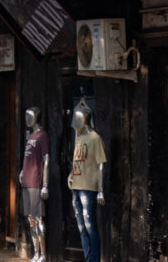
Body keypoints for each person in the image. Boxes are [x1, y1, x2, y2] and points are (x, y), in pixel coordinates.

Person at [67, 103, 106, 262]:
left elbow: (101, 164)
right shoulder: (79, 136)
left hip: (88, 188)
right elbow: (77, 159)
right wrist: (71, 174)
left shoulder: (95, 138)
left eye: (77, 119)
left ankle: (95, 260)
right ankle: (87, 258)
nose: (75, 122)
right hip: (76, 186)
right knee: (81, 227)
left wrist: (100, 189)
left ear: (84, 120)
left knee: (90, 227)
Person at [20, 106, 50, 262]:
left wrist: (45, 185)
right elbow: (28, 158)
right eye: (25, 116)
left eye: (29, 116)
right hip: (26, 180)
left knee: (38, 219)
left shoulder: (42, 136)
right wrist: (21, 171)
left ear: (36, 117)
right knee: (31, 219)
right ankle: (36, 253)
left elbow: (46, 160)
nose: (26, 119)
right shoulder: (31, 136)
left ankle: (43, 254)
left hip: (36, 182)